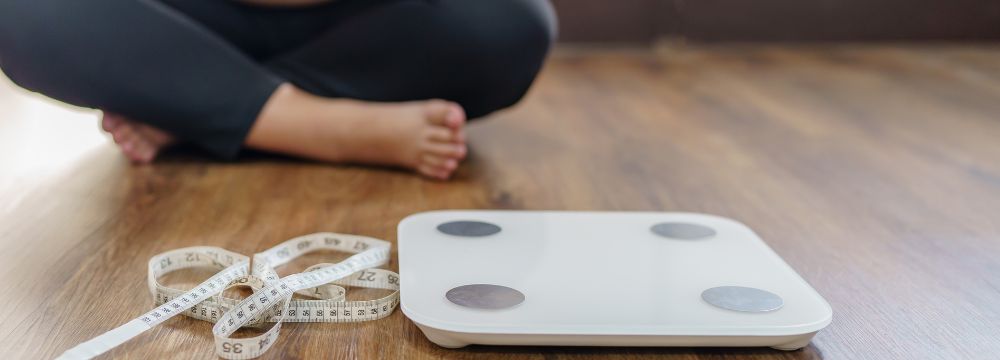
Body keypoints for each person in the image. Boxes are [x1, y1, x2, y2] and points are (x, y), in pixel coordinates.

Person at [0, 0, 556, 179]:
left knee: (512, 21)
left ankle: (201, 106)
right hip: (188, 19)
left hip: (356, 20)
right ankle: (316, 127)